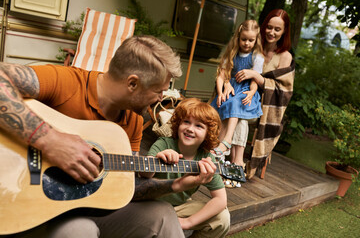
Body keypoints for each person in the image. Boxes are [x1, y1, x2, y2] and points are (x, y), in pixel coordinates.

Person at [0, 35, 218, 238]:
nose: (163, 97)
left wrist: (175, 185)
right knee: (80, 230)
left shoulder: (134, 120)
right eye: (159, 90)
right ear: (132, 83)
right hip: (30, 205)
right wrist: (50, 141)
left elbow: (125, 187)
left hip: (84, 207)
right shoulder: (68, 83)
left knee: (163, 213)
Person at [140, 98, 230, 238]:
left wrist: (188, 222)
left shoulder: (206, 158)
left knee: (222, 218)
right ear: (178, 124)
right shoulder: (164, 144)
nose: (190, 128)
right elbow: (144, 174)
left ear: (208, 133)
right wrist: (158, 158)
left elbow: (220, 199)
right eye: (186, 122)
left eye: (199, 126)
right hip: (151, 206)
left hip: (179, 207)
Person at [223, 9, 295, 179]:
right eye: (269, 27)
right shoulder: (252, 46)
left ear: (284, 31)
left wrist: (256, 75)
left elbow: (282, 89)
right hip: (240, 96)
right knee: (234, 108)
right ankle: (235, 164)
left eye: (278, 29)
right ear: (263, 27)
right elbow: (230, 68)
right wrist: (226, 84)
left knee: (240, 115)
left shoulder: (285, 56)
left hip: (264, 107)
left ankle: (234, 163)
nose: (272, 32)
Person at [209, 20, 264, 175]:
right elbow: (221, 76)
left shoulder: (256, 57)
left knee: (235, 102)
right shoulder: (232, 53)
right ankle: (222, 154)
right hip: (232, 88)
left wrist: (252, 93)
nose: (247, 43)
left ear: (256, 40)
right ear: (238, 38)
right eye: (243, 39)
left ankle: (226, 142)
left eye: (251, 40)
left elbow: (255, 80)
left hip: (246, 91)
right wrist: (220, 92)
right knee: (223, 104)